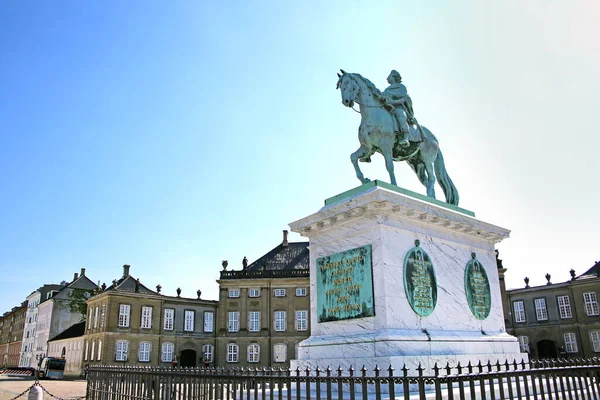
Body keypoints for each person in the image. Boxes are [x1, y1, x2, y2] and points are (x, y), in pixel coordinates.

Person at [381, 70, 416, 147]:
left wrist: (394, 102)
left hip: (399, 107)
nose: (387, 77)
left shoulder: (401, 87)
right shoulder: (387, 90)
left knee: (400, 115)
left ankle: (405, 136)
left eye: (389, 76)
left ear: (394, 77)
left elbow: (405, 98)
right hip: (388, 108)